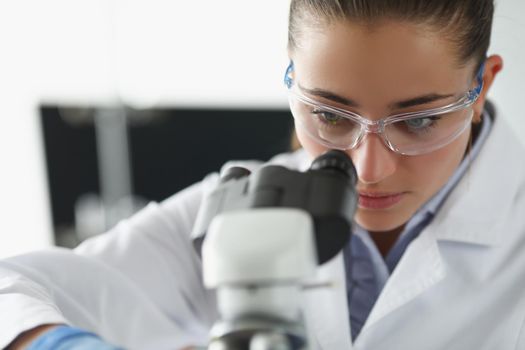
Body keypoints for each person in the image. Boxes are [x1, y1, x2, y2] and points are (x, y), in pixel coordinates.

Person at [2, 0, 525, 349]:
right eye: (330, 115)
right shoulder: (245, 207)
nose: (369, 169)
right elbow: (12, 291)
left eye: (419, 121)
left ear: (482, 88)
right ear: (293, 81)